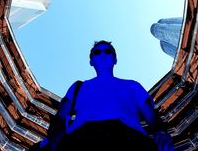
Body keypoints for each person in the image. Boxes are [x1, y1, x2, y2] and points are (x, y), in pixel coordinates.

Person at [34, 40, 175, 151]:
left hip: (130, 138)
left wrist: (161, 132)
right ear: (91, 62)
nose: (102, 54)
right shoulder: (78, 86)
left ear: (115, 60)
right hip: (81, 139)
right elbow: (61, 114)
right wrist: (54, 137)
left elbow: (150, 115)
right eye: (97, 52)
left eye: (108, 51)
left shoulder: (132, 85)